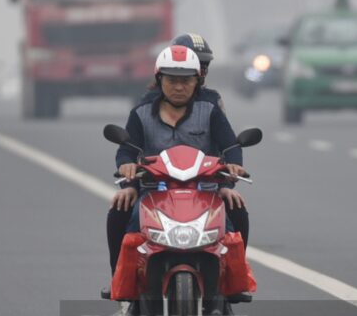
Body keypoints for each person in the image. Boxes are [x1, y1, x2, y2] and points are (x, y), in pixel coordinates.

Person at [103, 45, 249, 299]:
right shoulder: (141, 113)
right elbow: (126, 151)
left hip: (204, 191)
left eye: (186, 81)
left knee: (237, 210)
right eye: (172, 80)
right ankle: (118, 278)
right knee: (119, 210)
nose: (179, 87)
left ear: (197, 82)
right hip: (153, 192)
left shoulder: (210, 110)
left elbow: (230, 147)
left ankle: (234, 281)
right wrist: (126, 175)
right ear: (160, 80)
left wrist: (231, 174)